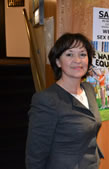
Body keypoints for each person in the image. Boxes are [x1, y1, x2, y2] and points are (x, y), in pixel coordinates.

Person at [26, 33, 103, 169]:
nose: (77, 60)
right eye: (69, 54)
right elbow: (36, 154)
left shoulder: (89, 89)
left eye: (82, 54)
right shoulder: (47, 99)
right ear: (57, 62)